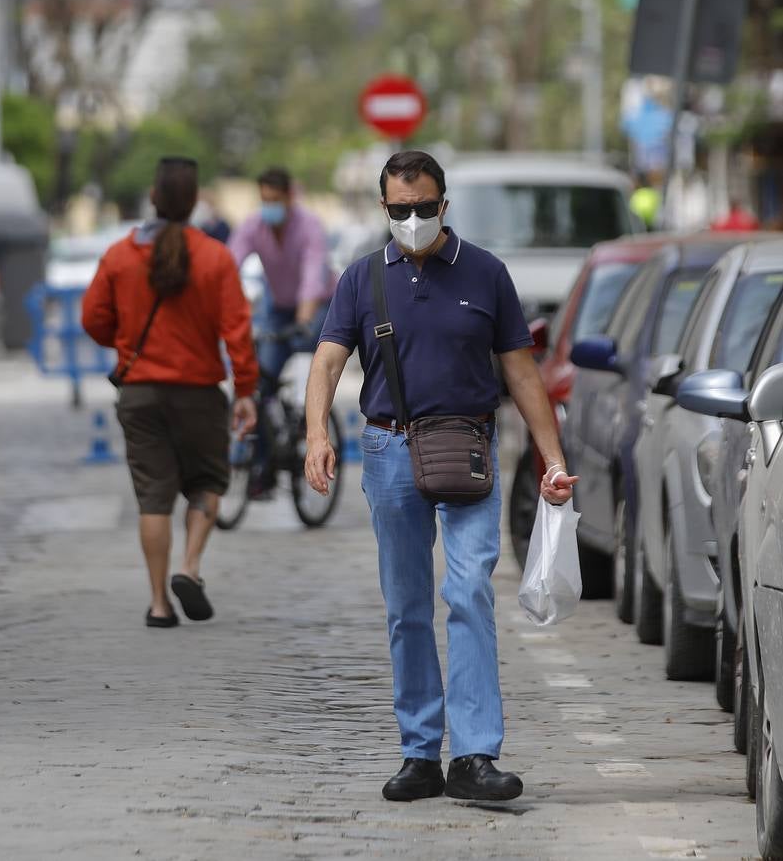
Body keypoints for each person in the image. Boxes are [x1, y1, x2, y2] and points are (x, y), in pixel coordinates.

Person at [303, 150, 577, 803]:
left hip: (467, 449)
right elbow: (325, 361)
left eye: (424, 208)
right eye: (400, 210)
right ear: (383, 209)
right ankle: (420, 753)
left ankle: (475, 755)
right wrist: (316, 433)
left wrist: (552, 460)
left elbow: (520, 372)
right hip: (388, 451)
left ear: (443, 206)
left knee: (469, 593)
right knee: (405, 607)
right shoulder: (362, 279)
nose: (412, 219)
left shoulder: (485, 274)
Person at [83, 157, 259, 629]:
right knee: (206, 483)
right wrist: (245, 389)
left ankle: (159, 603)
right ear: (194, 200)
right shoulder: (215, 257)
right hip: (199, 393)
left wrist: (125, 344)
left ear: (153, 197)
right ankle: (191, 567)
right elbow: (237, 331)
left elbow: (93, 319)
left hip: (138, 393)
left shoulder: (120, 256)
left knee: (153, 498)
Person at [228, 167, 335, 494]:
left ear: (290, 197)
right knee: (261, 380)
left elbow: (312, 277)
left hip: (318, 304)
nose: (268, 206)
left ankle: (311, 425)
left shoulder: (309, 226)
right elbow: (228, 264)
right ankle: (264, 464)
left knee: (317, 362)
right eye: (264, 200)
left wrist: (303, 322)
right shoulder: (253, 225)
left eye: (274, 200)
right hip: (277, 306)